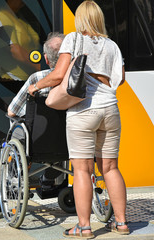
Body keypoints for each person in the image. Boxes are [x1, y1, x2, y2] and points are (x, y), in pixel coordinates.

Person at [28, 1, 129, 238]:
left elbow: (59, 74)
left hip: (83, 112)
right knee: (111, 168)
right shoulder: (112, 45)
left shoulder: (73, 39)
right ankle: (122, 223)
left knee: (82, 170)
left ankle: (84, 227)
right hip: (111, 111)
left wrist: (36, 86)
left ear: (80, 19)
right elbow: (120, 79)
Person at [7, 32, 65, 117]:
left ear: (46, 59)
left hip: (42, 128)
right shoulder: (78, 76)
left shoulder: (37, 78)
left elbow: (12, 112)